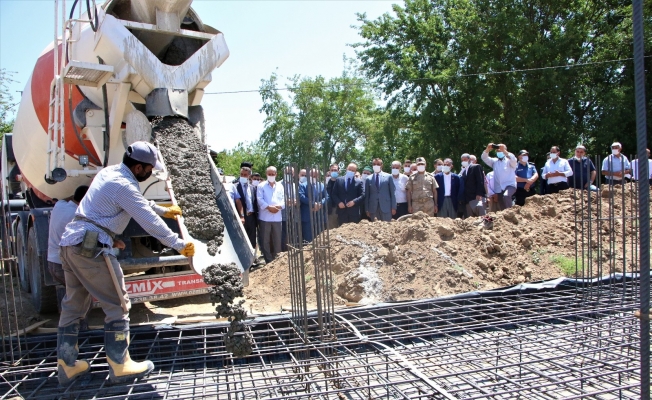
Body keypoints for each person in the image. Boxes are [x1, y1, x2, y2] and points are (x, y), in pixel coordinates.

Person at [56, 141, 194, 385]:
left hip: (71, 244)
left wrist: (163, 209)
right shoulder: (123, 186)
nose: (151, 172)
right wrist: (179, 244)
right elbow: (146, 219)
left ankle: (67, 365)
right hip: (91, 248)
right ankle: (121, 365)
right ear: (139, 167)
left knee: (73, 305)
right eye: (150, 168)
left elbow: (137, 203)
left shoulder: (110, 173)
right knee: (118, 304)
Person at [47, 185, 89, 322]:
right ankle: (77, 330)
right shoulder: (78, 217)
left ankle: (69, 327)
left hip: (53, 262)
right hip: (64, 264)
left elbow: (64, 199)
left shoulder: (59, 206)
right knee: (81, 298)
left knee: (71, 295)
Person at [257, 166, 285, 263]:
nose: (271, 176)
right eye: (269, 174)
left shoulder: (280, 186)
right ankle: (268, 260)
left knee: (277, 240)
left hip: (277, 217)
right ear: (266, 174)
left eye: (273, 174)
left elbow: (283, 200)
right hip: (265, 217)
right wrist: (269, 207)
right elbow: (260, 199)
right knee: (265, 240)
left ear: (276, 174)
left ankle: (277, 260)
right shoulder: (261, 186)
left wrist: (279, 207)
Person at [481, 143, 517, 210]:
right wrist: (487, 149)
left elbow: (514, 160)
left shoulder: (509, 161)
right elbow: (484, 158)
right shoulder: (494, 161)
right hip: (499, 187)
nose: (499, 152)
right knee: (502, 205)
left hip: (510, 185)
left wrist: (504, 151)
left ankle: (511, 212)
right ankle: (505, 217)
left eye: (501, 150)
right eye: (497, 151)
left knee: (506, 196)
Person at [232, 166, 258, 253]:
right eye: (241, 174)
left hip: (252, 217)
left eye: (245, 175)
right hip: (241, 217)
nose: (243, 176)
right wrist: (240, 215)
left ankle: (253, 258)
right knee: (242, 238)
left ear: (249, 176)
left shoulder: (252, 188)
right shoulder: (235, 187)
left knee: (252, 238)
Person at [299, 169, 328, 242]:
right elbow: (301, 196)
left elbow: (327, 197)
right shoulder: (303, 185)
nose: (313, 177)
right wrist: (313, 204)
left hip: (319, 216)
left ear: (318, 176)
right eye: (312, 175)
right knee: (308, 239)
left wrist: (320, 204)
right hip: (307, 216)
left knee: (319, 238)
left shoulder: (321, 185)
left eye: (315, 176)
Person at [460, 153, 486, 218]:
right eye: (462, 160)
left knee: (481, 213)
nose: (463, 161)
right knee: (471, 218)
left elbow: (480, 181)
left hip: (475, 196)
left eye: (465, 159)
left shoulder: (476, 167)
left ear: (469, 159)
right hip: (467, 198)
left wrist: (479, 193)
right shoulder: (463, 171)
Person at [326, 164, 340, 229]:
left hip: (341, 209)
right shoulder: (326, 182)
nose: (333, 171)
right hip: (331, 209)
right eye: (332, 170)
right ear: (329, 171)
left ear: (338, 171)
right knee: (332, 229)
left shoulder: (342, 181)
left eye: (335, 170)